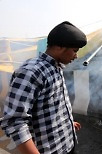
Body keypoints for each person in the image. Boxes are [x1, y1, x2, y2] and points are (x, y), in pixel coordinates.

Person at [0, 21, 87, 154]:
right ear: (59, 47)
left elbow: (52, 106)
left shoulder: (56, 67)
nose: (76, 56)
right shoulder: (31, 72)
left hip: (67, 143)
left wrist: (68, 124)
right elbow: (14, 122)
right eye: (74, 51)